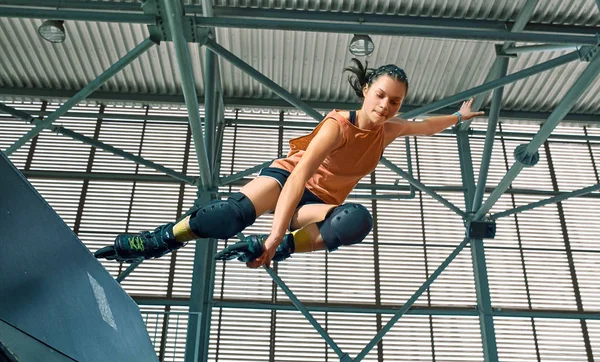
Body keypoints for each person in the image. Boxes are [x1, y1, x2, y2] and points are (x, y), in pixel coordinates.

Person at [94, 58, 483, 268]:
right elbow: (298, 176)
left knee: (354, 220)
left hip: (316, 200)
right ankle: (158, 239)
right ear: (366, 90)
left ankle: (277, 251)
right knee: (232, 216)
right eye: (380, 95)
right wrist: (274, 232)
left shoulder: (390, 130)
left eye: (395, 101)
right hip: (287, 179)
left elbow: (427, 125)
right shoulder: (338, 126)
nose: (386, 106)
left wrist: (460, 118)